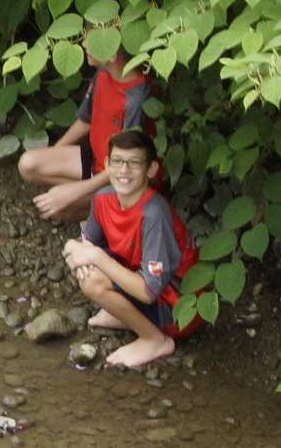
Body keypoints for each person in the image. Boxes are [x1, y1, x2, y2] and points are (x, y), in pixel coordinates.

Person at [63, 129, 195, 371]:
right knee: (86, 263)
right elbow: (89, 245)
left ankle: (154, 340)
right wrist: (74, 249)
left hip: (177, 307)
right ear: (106, 165)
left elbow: (148, 291)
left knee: (92, 279)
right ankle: (124, 315)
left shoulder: (154, 213)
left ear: (151, 169)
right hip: (137, 277)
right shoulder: (102, 198)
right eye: (117, 161)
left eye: (134, 163)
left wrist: (94, 257)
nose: (124, 170)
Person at [19, 37, 160, 222]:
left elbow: (126, 163)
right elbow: (86, 120)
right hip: (97, 160)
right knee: (28, 165)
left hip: (122, 176)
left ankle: (102, 213)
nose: (84, 44)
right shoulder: (103, 73)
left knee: (61, 209)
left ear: (112, 54)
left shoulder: (136, 97)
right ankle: (94, 202)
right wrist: (54, 153)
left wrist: (74, 192)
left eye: (92, 41)